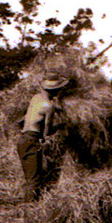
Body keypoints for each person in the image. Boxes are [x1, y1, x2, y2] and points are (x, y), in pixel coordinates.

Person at [16, 65, 70, 201]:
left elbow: (39, 111)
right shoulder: (49, 106)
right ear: (56, 90)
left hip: (23, 140)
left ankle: (28, 207)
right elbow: (47, 132)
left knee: (30, 177)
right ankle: (29, 210)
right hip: (32, 141)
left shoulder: (36, 98)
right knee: (34, 180)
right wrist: (61, 125)